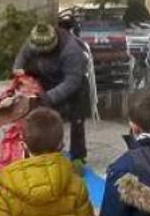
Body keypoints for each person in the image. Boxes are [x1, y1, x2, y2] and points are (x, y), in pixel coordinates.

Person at [12, 21, 91, 165]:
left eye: (45, 52)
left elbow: (72, 81)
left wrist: (49, 97)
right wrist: (19, 70)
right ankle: (41, 153)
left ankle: (78, 157)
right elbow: (22, 55)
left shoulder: (70, 50)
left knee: (77, 122)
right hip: (46, 78)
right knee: (42, 120)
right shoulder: (35, 38)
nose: (41, 54)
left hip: (73, 85)